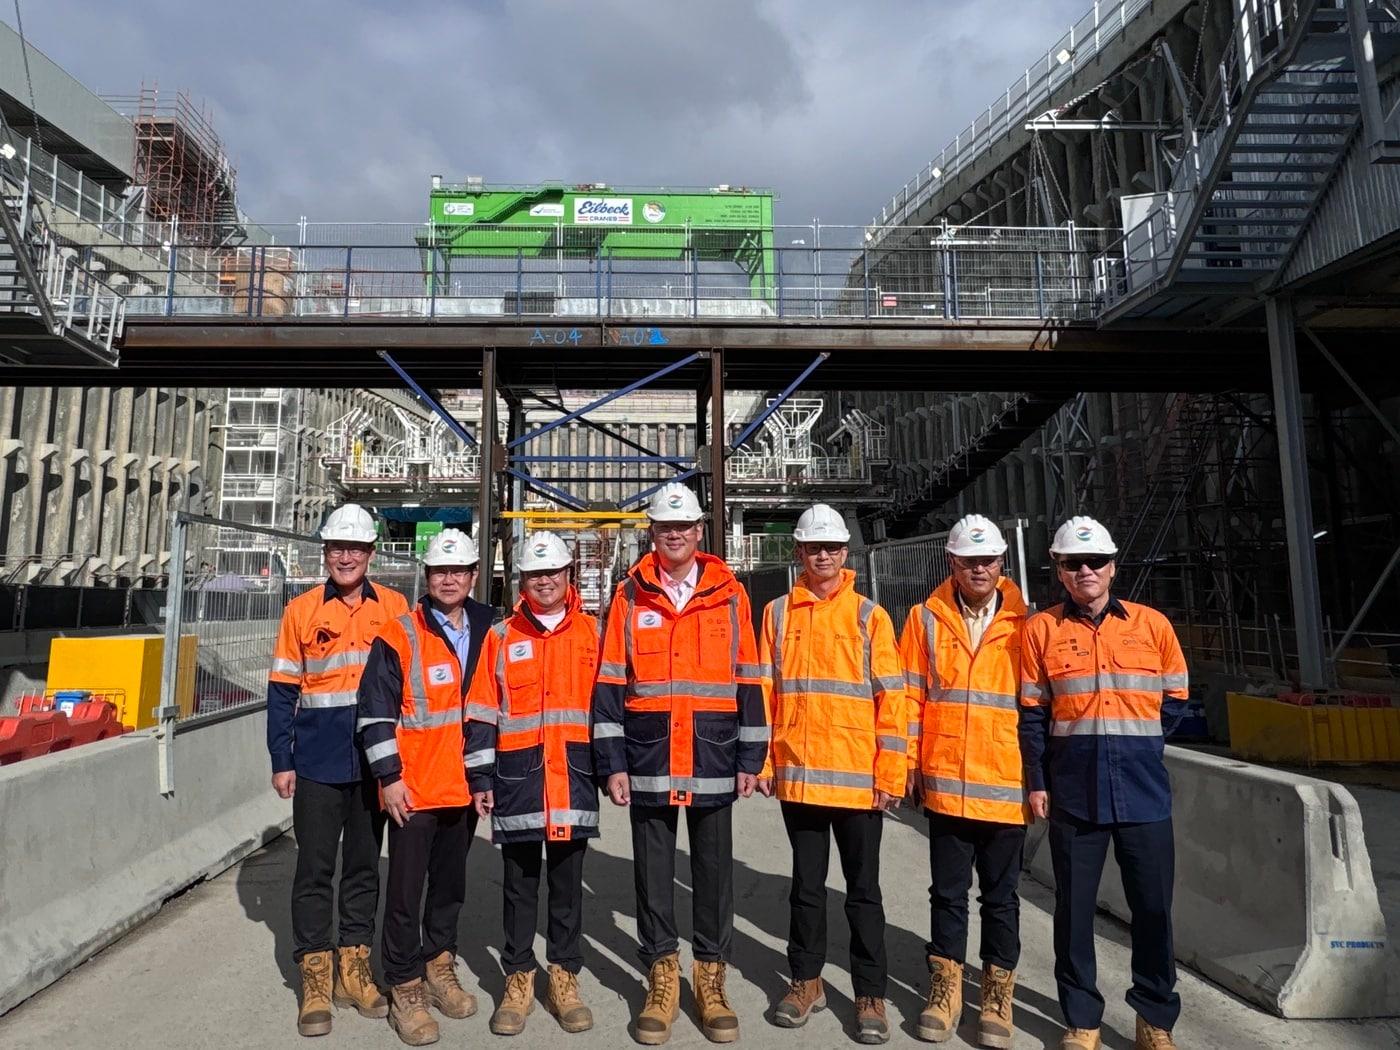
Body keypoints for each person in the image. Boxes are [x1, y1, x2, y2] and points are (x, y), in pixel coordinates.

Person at [592, 482, 767, 1045]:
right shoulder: (630, 595)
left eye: (684, 527)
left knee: (714, 875)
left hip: (714, 754)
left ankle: (710, 980)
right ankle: (661, 975)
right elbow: (611, 682)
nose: (675, 535)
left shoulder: (731, 595)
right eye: (665, 528)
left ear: (699, 532)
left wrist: (752, 757)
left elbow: (749, 679)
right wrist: (611, 761)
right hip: (649, 757)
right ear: (653, 534)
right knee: (652, 873)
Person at [1019, 516, 1189, 1050]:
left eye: (1095, 561)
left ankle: (1154, 1018)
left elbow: (1177, 701)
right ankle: (1082, 1019)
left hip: (1143, 792)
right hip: (1074, 791)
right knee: (1072, 911)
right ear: (1060, 572)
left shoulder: (1152, 626)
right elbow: (1032, 715)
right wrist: (1039, 779)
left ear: (1113, 567)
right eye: (1074, 563)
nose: (1086, 570)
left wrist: (1136, 744)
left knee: (1154, 910)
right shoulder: (1041, 631)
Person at [756, 504, 905, 1045]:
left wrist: (891, 773)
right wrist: (766, 762)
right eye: (814, 547)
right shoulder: (775, 614)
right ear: (799, 552)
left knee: (864, 892)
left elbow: (894, 699)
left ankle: (870, 993)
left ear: (846, 554)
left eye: (833, 547)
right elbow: (764, 694)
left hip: (859, 782)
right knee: (807, 889)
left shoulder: (870, 616)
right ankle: (805, 981)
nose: (824, 555)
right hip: (798, 776)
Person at [266, 502, 408, 1038]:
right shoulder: (300, 611)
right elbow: (282, 693)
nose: (346, 556)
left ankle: (355, 967)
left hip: (373, 763)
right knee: (315, 870)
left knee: (365, 868)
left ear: (371, 553)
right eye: (336, 547)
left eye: (355, 548)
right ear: (325, 552)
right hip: (319, 762)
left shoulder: (394, 608)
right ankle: (315, 976)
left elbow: (406, 685)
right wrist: (282, 760)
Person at [357, 528, 495, 1046]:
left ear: (474, 575)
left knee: (450, 887)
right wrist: (388, 778)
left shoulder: (488, 627)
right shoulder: (399, 634)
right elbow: (374, 712)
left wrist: (486, 778)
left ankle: (440, 963)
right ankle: (404, 983)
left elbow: (490, 706)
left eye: (459, 571)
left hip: (464, 786)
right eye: (441, 571)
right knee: (405, 891)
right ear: (428, 576)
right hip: (413, 789)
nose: (450, 579)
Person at [900, 515, 1029, 1048]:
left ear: (1002, 564)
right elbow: (910, 697)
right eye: (970, 560)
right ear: (952, 563)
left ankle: (998, 996)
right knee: (947, 895)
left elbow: (1038, 710)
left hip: (1005, 786)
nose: (980, 568)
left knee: (1001, 899)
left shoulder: (1029, 625)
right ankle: (946, 986)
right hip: (947, 783)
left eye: (989, 560)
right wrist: (907, 764)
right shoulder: (924, 619)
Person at [465, 532, 600, 1037]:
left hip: (574, 778)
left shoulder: (593, 633)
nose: (545, 582)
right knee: (519, 886)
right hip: (518, 782)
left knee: (567, 887)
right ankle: (518, 977)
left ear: (569, 577)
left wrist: (613, 769)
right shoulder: (501, 638)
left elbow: (607, 708)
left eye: (554, 573)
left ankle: (564, 976)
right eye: (536, 574)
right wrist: (480, 775)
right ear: (521, 581)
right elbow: (480, 709)